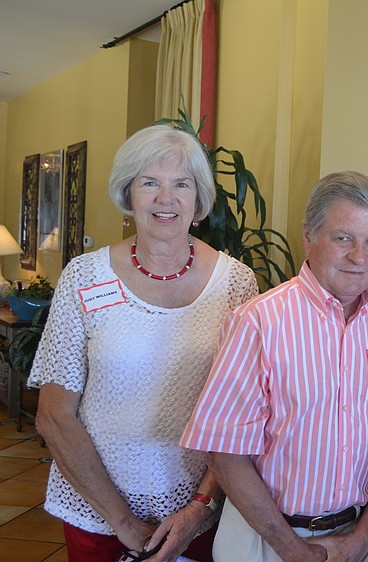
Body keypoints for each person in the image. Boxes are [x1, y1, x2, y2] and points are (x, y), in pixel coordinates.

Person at [29, 124, 259, 562]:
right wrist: (124, 522)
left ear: (198, 200)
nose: (165, 198)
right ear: (128, 194)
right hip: (95, 510)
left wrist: (197, 510)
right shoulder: (84, 277)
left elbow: (242, 416)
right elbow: (53, 416)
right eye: (149, 182)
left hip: (202, 514)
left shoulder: (236, 283)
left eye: (181, 184)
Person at [181, 170, 368, 562]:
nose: (359, 257)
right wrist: (290, 549)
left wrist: (365, 536)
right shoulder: (258, 321)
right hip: (263, 541)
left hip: (359, 539)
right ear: (309, 236)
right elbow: (224, 453)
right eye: (343, 238)